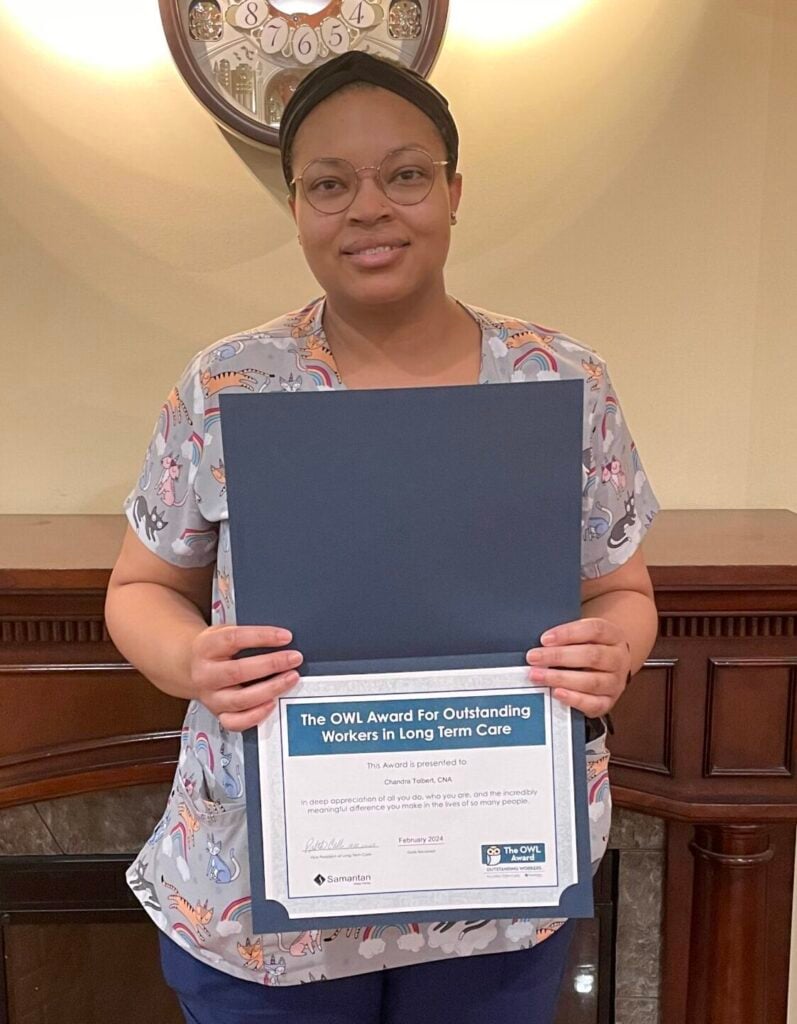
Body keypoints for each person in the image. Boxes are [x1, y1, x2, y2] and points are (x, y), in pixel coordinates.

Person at [105, 51, 660, 1024]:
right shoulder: (228, 384)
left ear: (451, 193)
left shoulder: (556, 381)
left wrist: (613, 647)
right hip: (264, 905)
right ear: (296, 206)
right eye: (329, 183)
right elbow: (137, 588)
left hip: (492, 894)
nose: (367, 206)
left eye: (402, 174)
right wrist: (193, 657)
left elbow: (622, 590)